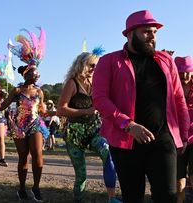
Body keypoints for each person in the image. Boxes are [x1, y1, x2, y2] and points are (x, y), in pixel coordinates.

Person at [92, 10, 190, 203]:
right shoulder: (109, 61)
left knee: (167, 196)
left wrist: (184, 133)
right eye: (146, 31)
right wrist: (129, 125)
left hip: (163, 139)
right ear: (130, 34)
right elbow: (100, 99)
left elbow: (179, 98)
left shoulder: (166, 61)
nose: (152, 36)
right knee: (133, 197)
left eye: (154, 32)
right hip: (126, 141)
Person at [0, 27, 48, 202]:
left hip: (35, 125)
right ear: (26, 73)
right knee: (24, 157)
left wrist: (50, 111)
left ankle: (36, 188)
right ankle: (22, 189)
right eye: (33, 72)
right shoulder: (16, 90)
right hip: (19, 127)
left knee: (37, 155)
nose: (37, 74)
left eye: (37, 72)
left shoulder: (39, 92)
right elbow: (2, 107)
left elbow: (42, 110)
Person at [56, 50, 119, 203]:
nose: (94, 69)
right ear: (82, 65)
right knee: (81, 174)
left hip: (94, 130)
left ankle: (112, 198)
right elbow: (60, 109)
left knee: (107, 152)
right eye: (91, 66)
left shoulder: (97, 82)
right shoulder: (73, 83)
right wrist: (86, 111)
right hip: (74, 134)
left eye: (97, 66)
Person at [174, 56, 193, 203]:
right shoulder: (171, 88)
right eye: (181, 72)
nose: (184, 75)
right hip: (177, 138)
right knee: (179, 178)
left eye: (187, 72)